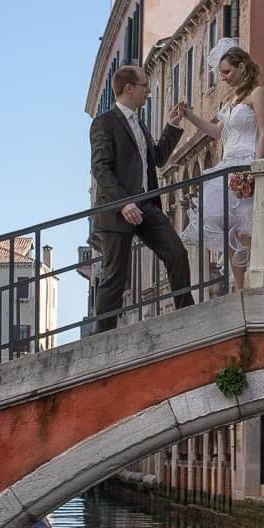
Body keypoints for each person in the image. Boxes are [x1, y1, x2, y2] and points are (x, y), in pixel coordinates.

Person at [89, 63, 194, 332]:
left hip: (147, 205)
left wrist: (172, 125)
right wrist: (124, 203)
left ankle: (188, 314)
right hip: (117, 209)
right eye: (145, 86)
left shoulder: (140, 123)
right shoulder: (104, 123)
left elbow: (157, 159)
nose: (148, 92)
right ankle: (103, 337)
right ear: (129, 88)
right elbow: (101, 168)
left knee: (177, 253)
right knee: (115, 276)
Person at [176, 40, 264, 285]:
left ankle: (255, 284)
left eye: (227, 72)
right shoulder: (231, 102)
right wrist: (189, 115)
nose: (224, 78)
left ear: (242, 67)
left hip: (247, 162)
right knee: (229, 227)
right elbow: (216, 132)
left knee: (247, 227)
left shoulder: (257, 94)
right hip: (227, 166)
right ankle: (239, 289)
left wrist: (256, 169)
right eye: (221, 74)